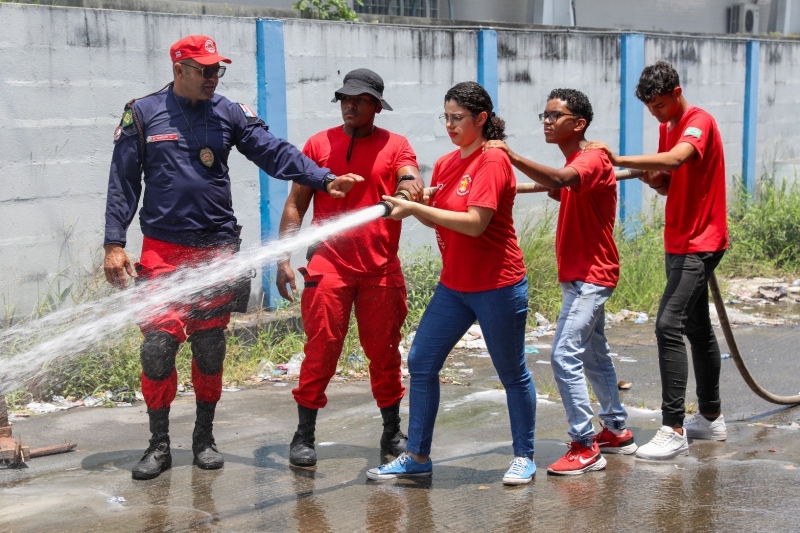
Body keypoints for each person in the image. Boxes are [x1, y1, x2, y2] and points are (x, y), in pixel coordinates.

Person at [103, 35, 362, 481]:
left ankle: (204, 438)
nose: (213, 78)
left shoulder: (229, 113)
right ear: (179, 69)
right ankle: (159, 444)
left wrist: (322, 178)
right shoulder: (143, 113)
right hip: (164, 249)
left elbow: (273, 152)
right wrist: (113, 243)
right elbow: (122, 181)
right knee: (158, 347)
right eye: (204, 70)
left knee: (210, 347)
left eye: (217, 70)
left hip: (217, 249)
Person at [365, 81, 537, 485]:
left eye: (457, 118)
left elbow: (475, 224)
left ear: (481, 118)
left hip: (497, 285)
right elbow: (441, 219)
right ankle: (417, 456)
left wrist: (415, 209)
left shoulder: (492, 161)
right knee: (422, 361)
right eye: (445, 117)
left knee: (511, 372)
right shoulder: (445, 164)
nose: (449, 125)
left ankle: (524, 456)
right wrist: (412, 207)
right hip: (455, 287)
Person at [484, 88, 637, 476]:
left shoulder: (591, 158)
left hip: (591, 276)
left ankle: (585, 445)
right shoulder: (578, 162)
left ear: (579, 124)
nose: (547, 122)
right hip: (580, 275)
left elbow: (562, 178)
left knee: (563, 354)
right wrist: (556, 187)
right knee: (594, 355)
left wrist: (510, 155)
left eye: (556, 115)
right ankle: (616, 430)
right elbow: (563, 187)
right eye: (545, 115)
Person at [275, 68, 424, 467]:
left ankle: (391, 431)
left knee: (384, 351)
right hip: (330, 262)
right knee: (321, 348)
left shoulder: (396, 145)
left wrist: (408, 186)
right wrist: (283, 258)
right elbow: (296, 204)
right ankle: (303, 434)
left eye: (360, 100)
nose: (350, 106)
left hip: (380, 267)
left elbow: (409, 176)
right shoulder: (318, 144)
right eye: (345, 98)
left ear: (377, 106)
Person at [585, 61, 729, 460]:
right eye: (650, 108)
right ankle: (711, 417)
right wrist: (655, 179)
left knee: (668, 324)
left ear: (677, 93)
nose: (656, 114)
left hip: (701, 241)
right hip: (679, 238)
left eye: (660, 105)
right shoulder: (668, 125)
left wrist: (618, 158)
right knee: (697, 328)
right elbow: (671, 180)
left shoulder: (698, 122)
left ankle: (673, 428)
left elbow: (678, 158)